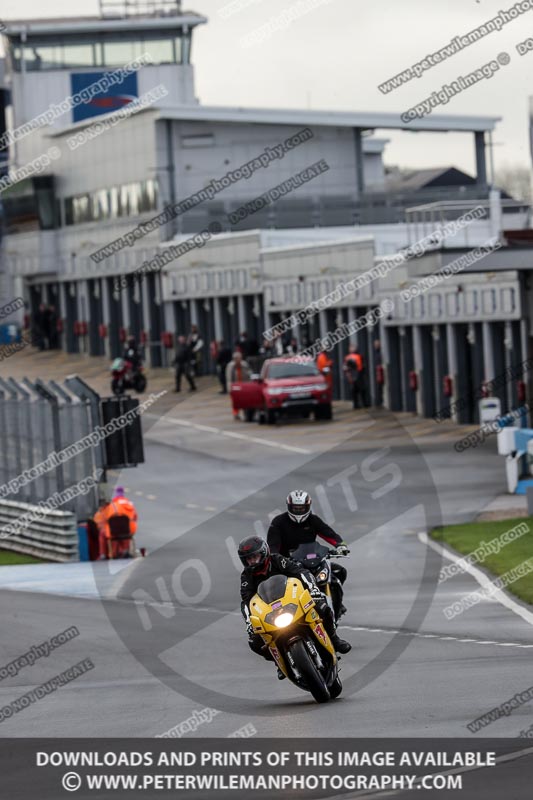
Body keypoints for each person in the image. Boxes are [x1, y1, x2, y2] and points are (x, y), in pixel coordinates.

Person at [238, 536, 351, 677]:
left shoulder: (278, 560)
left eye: (254, 557)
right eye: (248, 559)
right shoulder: (246, 576)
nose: (252, 561)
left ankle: (334, 639)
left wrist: (313, 590)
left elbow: (301, 572)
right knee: (254, 641)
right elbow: (246, 602)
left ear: (264, 553)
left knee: (322, 607)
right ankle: (278, 662)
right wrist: (249, 623)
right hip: (270, 613)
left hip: (294, 602)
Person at [267, 489, 348, 593]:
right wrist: (276, 558)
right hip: (287, 564)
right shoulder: (278, 522)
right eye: (295, 508)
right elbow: (272, 545)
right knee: (276, 585)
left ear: (308, 507)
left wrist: (341, 545)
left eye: (302, 508)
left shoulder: (313, 520)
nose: (299, 511)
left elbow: (329, 534)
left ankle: (338, 605)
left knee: (340, 572)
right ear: (289, 507)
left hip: (312, 560)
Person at [97, 488, 138, 559]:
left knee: (103, 533)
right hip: (129, 531)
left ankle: (103, 554)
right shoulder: (129, 503)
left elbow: (103, 520)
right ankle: (125, 550)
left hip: (114, 532)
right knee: (124, 529)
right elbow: (135, 517)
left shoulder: (112, 506)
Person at [226, 351, 251, 419]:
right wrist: (230, 389)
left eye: (239, 358)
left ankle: (246, 413)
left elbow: (249, 375)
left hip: (244, 386)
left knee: (245, 401)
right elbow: (229, 379)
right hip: (235, 386)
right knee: (235, 401)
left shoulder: (244, 365)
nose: (238, 360)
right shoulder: (230, 366)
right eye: (236, 358)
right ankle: (236, 414)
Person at [343, 345, 364, 409]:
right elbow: (360, 368)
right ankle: (360, 403)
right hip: (357, 375)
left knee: (354, 391)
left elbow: (345, 368)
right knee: (359, 390)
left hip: (352, 376)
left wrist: (348, 374)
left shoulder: (347, 357)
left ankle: (356, 404)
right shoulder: (358, 356)